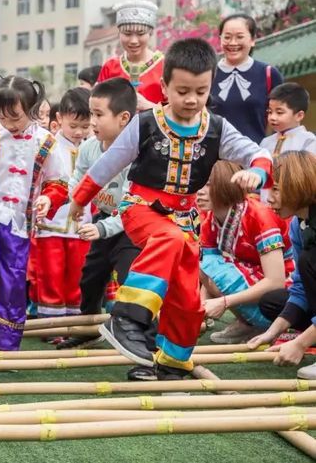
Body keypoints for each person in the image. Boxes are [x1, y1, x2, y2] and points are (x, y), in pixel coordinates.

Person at [69, 38, 273, 380]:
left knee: (186, 299)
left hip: (185, 220)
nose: (191, 99)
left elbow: (256, 152)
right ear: (164, 86)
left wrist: (256, 171)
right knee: (168, 240)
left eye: (200, 90)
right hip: (141, 208)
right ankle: (127, 317)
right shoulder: (146, 123)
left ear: (210, 87)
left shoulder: (217, 129)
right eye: (182, 90)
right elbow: (107, 164)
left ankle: (169, 365)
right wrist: (79, 199)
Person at [0, 76, 69, 351]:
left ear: (32, 110)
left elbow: (58, 182)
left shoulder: (47, 141)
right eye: (2, 116)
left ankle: (5, 342)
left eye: (15, 118)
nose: (8, 124)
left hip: (21, 220)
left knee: (12, 279)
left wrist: (48, 198)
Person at [57, 78, 140, 351]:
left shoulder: (136, 155)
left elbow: (131, 204)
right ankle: (88, 327)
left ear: (123, 118)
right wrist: (76, 200)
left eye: (98, 114)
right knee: (91, 276)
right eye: (91, 113)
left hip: (131, 226)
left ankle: (138, 333)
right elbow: (80, 176)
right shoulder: (90, 147)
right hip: (104, 218)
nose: (92, 121)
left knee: (131, 279)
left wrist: (104, 229)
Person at [200, 161, 293, 344]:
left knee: (212, 265)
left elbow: (276, 281)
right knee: (201, 262)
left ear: (227, 184)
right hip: (253, 278)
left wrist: (224, 302)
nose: (200, 191)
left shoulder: (259, 216)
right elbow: (206, 272)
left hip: (285, 289)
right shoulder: (209, 220)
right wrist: (200, 311)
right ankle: (246, 323)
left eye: (208, 184)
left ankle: (267, 325)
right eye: (199, 183)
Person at [247, 151, 316, 379]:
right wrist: (272, 332)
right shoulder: (299, 224)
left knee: (309, 258)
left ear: (298, 184)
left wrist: (301, 343)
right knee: (273, 302)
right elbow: (300, 287)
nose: (268, 199)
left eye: (276, 189)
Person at [29, 88, 91, 319]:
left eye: (85, 127)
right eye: (73, 126)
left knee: (77, 273)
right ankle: (50, 320)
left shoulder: (93, 147)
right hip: (51, 222)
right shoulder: (49, 145)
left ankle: (73, 319)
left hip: (81, 223)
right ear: (59, 119)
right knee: (51, 273)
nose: (78, 132)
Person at [210, 14, 283, 142]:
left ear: (253, 39)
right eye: (227, 37)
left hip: (256, 156)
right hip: (213, 157)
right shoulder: (207, 73)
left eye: (239, 37)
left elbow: (283, 117)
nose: (233, 43)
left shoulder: (269, 74)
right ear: (220, 39)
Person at [97, 0, 164, 111]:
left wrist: (149, 106)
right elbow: (96, 106)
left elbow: (178, 111)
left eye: (140, 34)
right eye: (127, 34)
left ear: (150, 33)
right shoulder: (110, 67)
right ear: (119, 33)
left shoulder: (166, 67)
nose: (133, 40)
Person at [261, 82, 316, 157]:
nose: (272, 117)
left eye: (279, 112)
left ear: (299, 116)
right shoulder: (265, 142)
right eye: (270, 112)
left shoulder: (309, 140)